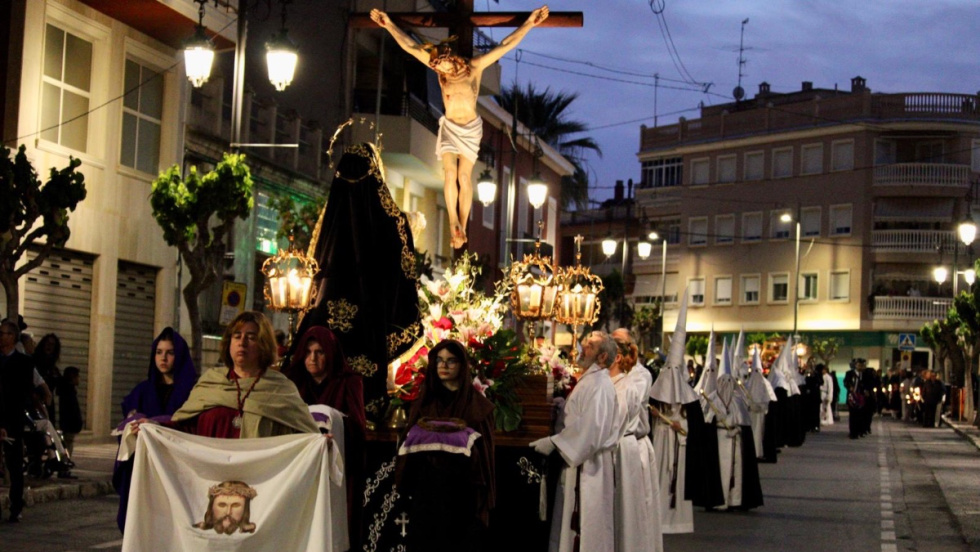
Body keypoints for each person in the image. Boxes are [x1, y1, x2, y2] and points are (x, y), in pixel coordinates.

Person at [371, 6, 550, 248]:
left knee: (464, 176)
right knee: (449, 173)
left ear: (453, 61)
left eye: (444, 68)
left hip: (470, 129)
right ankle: (453, 220)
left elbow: (505, 45)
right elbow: (410, 47)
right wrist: (388, 25)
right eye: (439, 70)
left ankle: (462, 225)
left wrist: (530, 23)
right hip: (449, 126)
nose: (441, 72)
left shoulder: (474, 68)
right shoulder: (439, 69)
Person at [292, 142, 423, 427]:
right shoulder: (393, 223)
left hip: (325, 320)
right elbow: (404, 280)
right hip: (371, 324)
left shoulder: (330, 220)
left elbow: (314, 273)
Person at [397, 339, 495, 551]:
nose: (444, 366)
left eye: (451, 361)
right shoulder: (424, 402)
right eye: (439, 360)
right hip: (427, 490)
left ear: (462, 365)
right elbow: (408, 445)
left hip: (462, 493)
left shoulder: (477, 406)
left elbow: (485, 455)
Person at [164, 311, 319, 438]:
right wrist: (155, 428)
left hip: (261, 474)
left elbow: (303, 438)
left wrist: (319, 444)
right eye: (237, 336)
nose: (242, 342)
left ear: (263, 345)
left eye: (251, 337)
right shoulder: (211, 382)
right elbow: (186, 428)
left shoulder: (281, 389)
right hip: (212, 473)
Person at [530, 331, 619, 552]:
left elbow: (591, 431)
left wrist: (555, 442)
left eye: (590, 345)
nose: (582, 346)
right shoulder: (590, 380)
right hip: (577, 461)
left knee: (584, 528)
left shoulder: (600, 385)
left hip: (588, 466)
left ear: (602, 357)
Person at [284, 326, 367, 549]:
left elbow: (357, 427)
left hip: (338, 467)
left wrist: (335, 427)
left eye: (320, 352)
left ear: (330, 354)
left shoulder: (349, 382)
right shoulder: (293, 383)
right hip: (302, 466)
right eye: (308, 352)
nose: (313, 358)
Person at [115, 327, 197, 532]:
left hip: (176, 468)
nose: (163, 358)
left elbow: (193, 425)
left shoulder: (193, 390)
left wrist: (161, 423)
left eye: (170, 352)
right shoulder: (143, 390)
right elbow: (128, 420)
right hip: (145, 465)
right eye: (159, 352)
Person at [609, 332, 662, 551]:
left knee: (637, 508)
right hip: (618, 444)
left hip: (633, 443)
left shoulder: (640, 375)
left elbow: (625, 408)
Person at [702, 349, 763, 511]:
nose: (726, 385)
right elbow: (707, 420)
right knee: (719, 470)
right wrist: (716, 419)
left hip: (735, 439)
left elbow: (744, 423)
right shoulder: (713, 398)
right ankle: (718, 500)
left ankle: (735, 500)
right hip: (719, 439)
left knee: (736, 471)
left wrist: (737, 430)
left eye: (730, 381)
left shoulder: (738, 399)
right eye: (723, 381)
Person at [0, 318, 36, 522]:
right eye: (0, 333)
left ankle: (16, 505)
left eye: (6, 333)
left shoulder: (23, 363)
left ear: (13, 337)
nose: (2, 337)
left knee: (14, 465)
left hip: (13, 419)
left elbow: (24, 393)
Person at [33, 333, 61, 423]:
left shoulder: (53, 368)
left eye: (52, 344)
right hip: (36, 401)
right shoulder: (34, 362)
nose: (49, 346)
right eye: (47, 343)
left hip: (48, 403)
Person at [57, 366, 83, 455]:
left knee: (68, 443)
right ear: (73, 377)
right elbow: (72, 410)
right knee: (67, 444)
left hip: (68, 424)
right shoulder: (69, 392)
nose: (79, 379)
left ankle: (66, 461)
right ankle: (65, 462)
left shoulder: (67, 391)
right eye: (78, 376)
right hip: (69, 425)